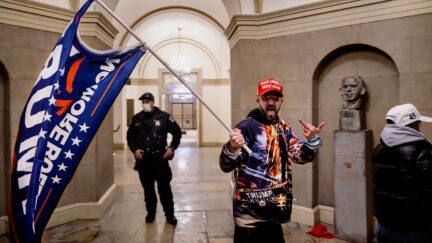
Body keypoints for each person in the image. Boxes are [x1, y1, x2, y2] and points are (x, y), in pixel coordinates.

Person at [219, 78, 325, 243]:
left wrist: (312, 141)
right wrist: (232, 147)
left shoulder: (284, 127)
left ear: (281, 101)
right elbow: (225, 166)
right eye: (265, 98)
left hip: (275, 209)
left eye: (275, 99)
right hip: (249, 214)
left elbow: (301, 156)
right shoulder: (245, 127)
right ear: (258, 100)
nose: (270, 102)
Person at [372, 103, 432, 243]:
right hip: (415, 230)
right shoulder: (423, 152)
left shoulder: (379, 148)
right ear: (416, 124)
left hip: (384, 225)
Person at [127, 92, 182, 225]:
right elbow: (130, 137)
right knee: (148, 190)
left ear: (153, 101)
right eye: (143, 101)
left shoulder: (164, 117)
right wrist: (134, 149)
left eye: (147, 101)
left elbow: (177, 133)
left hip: (160, 160)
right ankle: (151, 212)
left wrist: (172, 148)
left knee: (164, 189)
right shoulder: (137, 118)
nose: (145, 103)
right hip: (144, 162)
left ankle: (170, 214)